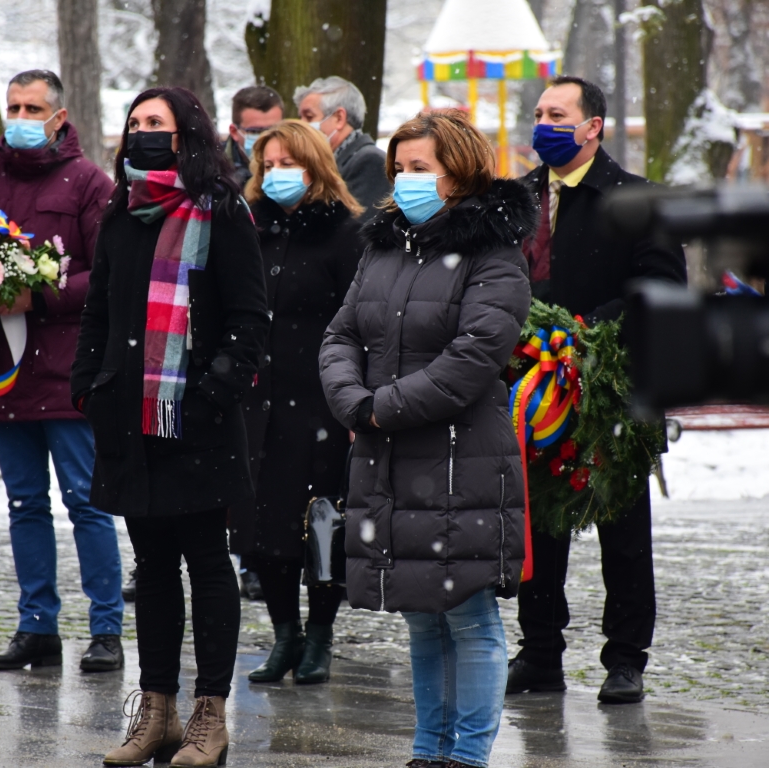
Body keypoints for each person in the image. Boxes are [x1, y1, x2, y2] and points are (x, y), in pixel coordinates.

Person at [320, 109, 534, 768]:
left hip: (461, 458)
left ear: (459, 173)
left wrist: (381, 408)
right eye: (400, 169)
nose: (405, 180)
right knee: (420, 611)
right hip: (390, 457)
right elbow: (341, 335)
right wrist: (353, 400)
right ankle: (427, 750)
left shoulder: (493, 253)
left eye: (421, 168)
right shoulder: (384, 247)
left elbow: (476, 354)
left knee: (468, 614)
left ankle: (466, 756)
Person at [72, 86, 269, 768]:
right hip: (130, 420)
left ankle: (210, 715)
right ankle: (156, 711)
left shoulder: (222, 211)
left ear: (186, 135)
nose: (142, 133)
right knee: (153, 568)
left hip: (198, 423)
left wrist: (212, 392)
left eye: (155, 122)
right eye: (134, 123)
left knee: (207, 564)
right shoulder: (121, 211)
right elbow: (98, 313)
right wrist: (89, 384)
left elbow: (249, 320)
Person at [510, 75, 686, 704]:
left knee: (623, 530)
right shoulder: (518, 198)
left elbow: (660, 289)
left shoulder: (636, 200)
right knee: (540, 525)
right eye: (538, 114)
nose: (543, 125)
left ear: (593, 127)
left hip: (614, 391)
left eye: (557, 115)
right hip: (534, 389)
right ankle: (540, 653)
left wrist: (582, 333)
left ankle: (626, 657)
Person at [0, 70, 126, 675]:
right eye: (14, 107)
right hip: (3, 370)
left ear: (59, 118)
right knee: (24, 504)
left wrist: (42, 294)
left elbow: (108, 273)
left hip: (66, 370)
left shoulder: (90, 183)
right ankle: (37, 627)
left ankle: (106, 629)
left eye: (33, 108)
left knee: (86, 502)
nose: (21, 118)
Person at [228, 121, 363, 685]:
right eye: (268, 164)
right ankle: (284, 634)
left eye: (288, 163)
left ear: (314, 167)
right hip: (256, 405)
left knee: (322, 524)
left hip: (321, 404)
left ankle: (320, 634)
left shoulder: (346, 233)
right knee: (263, 528)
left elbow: (361, 323)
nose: (275, 173)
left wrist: (357, 398)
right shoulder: (247, 227)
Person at [294, 76, 391, 222]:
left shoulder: (369, 161)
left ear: (339, 118)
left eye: (309, 117)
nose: (301, 126)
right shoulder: (337, 161)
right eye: (300, 118)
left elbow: (358, 227)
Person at [223, 85, 285, 188]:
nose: (265, 138)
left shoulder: (300, 163)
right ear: (234, 132)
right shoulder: (213, 169)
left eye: (273, 130)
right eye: (255, 131)